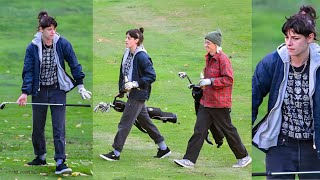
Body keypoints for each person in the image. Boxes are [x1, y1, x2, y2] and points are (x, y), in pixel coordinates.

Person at [16, 14, 92, 175]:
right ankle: (40, 156)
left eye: (54, 29)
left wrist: (80, 85)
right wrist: (24, 93)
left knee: (59, 127)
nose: (53, 32)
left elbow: (74, 63)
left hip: (58, 90)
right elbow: (28, 71)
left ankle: (60, 161)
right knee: (38, 127)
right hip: (39, 91)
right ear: (41, 30)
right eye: (49, 29)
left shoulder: (62, 43)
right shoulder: (32, 48)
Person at [252, 6, 320, 179]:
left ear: (310, 38)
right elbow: (252, 99)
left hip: (314, 147)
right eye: (287, 37)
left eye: (295, 38)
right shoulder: (272, 63)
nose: (289, 43)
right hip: (281, 145)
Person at [174, 29, 251, 168]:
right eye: (205, 42)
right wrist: (200, 84)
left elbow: (228, 79)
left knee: (228, 131)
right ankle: (189, 160)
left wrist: (210, 82)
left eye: (208, 42)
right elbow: (207, 76)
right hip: (206, 102)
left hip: (220, 104)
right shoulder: (209, 58)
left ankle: (244, 157)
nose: (205, 45)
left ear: (216, 44)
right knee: (199, 131)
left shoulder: (223, 59)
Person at [99, 27, 171, 161]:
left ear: (136, 40)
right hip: (132, 93)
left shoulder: (142, 56)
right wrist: (122, 90)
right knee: (145, 121)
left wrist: (135, 84)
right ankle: (163, 148)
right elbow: (124, 73)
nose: (126, 40)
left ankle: (116, 152)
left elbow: (151, 76)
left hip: (138, 94)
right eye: (126, 37)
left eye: (129, 38)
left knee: (125, 122)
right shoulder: (128, 53)